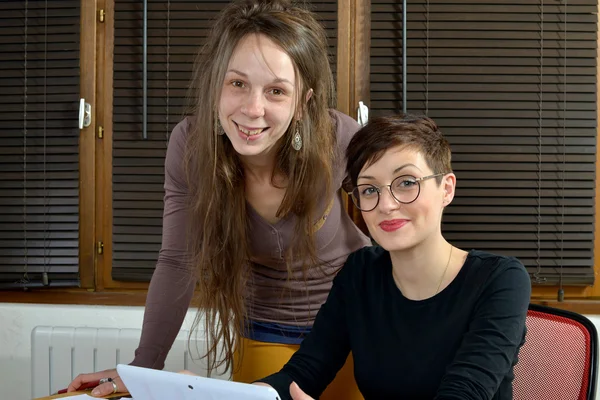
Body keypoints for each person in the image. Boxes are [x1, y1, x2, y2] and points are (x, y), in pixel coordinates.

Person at [67, 0, 370, 398]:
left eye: (277, 91)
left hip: (356, 326)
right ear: (216, 85)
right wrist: (143, 370)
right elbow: (178, 260)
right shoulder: (190, 148)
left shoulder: (339, 137)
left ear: (303, 103)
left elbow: (393, 226)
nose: (252, 109)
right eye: (238, 83)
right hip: (264, 329)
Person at [255, 114, 532, 399]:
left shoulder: (500, 279)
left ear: (446, 189)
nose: (385, 205)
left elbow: (463, 394)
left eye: (407, 182)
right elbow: (303, 373)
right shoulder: (360, 273)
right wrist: (247, 394)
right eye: (370, 189)